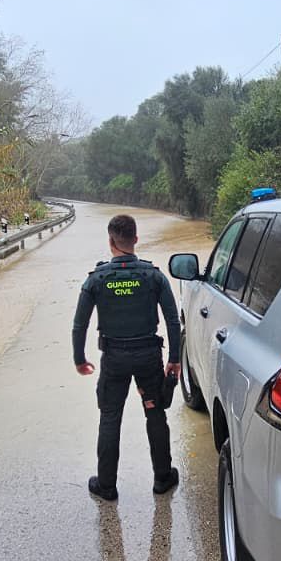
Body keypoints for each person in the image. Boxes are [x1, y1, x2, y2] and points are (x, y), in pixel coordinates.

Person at [72, 214, 182, 500]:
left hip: (114, 358)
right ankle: (162, 478)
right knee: (155, 413)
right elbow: (172, 320)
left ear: (110, 241)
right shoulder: (154, 276)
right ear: (135, 238)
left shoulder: (96, 279)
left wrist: (79, 358)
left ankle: (106, 485)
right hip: (148, 356)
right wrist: (175, 357)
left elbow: (79, 324)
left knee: (110, 417)